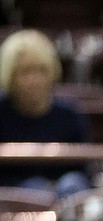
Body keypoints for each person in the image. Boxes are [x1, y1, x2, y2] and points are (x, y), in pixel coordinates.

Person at [0, 30, 90, 197]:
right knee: (35, 189)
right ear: (10, 75)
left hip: (63, 193)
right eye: (25, 72)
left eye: (41, 70)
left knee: (73, 183)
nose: (34, 80)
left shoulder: (69, 114)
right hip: (14, 199)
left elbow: (83, 169)